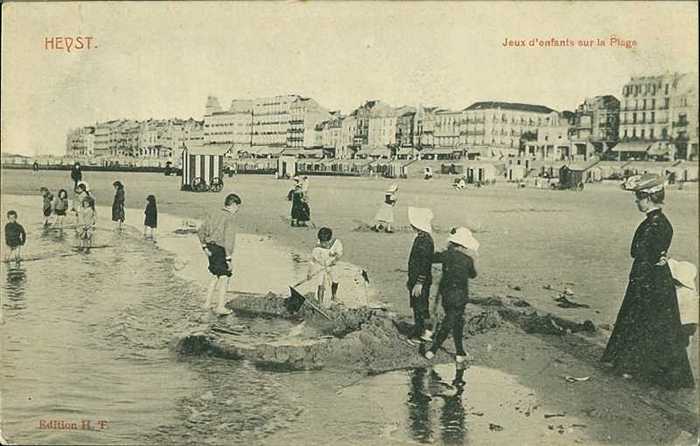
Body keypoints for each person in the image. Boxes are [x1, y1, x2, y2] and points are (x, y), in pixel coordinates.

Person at [601, 174, 694, 389]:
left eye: (639, 198)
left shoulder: (654, 224)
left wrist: (654, 258)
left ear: (648, 198)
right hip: (653, 277)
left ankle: (632, 367)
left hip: (648, 279)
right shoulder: (659, 223)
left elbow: (637, 250)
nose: (637, 202)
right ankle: (636, 367)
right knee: (651, 323)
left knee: (641, 320)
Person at [424, 227, 479, 366]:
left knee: (456, 321)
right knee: (452, 321)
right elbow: (473, 275)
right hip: (461, 295)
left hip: (446, 294)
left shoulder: (446, 255)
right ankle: (434, 349)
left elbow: (431, 258)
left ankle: (460, 352)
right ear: (464, 245)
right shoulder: (468, 259)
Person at [198, 193, 241, 315]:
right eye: (237, 207)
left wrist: (204, 246)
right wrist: (228, 259)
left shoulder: (214, 214)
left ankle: (207, 303)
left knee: (215, 275)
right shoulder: (230, 218)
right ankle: (220, 306)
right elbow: (229, 240)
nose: (237, 211)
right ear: (233, 205)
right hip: (220, 249)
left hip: (210, 248)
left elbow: (201, 231)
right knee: (225, 277)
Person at [407, 207, 435, 341]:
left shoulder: (424, 241)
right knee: (418, 305)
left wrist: (419, 282)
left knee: (420, 306)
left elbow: (425, 263)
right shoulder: (422, 238)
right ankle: (424, 330)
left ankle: (422, 332)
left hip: (420, 280)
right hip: (416, 279)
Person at [668, 259, 698, 364]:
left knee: (678, 346)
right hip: (691, 323)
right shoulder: (692, 292)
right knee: (687, 345)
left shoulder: (679, 293)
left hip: (682, 323)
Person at [308, 227, 344, 307]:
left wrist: (335, 260)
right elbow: (312, 260)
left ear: (329, 240)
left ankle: (334, 296)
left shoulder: (336, 243)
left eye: (325, 242)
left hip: (332, 265)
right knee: (321, 284)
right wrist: (309, 273)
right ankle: (320, 303)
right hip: (321, 266)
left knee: (335, 280)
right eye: (322, 242)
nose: (323, 244)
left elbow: (339, 254)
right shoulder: (317, 248)